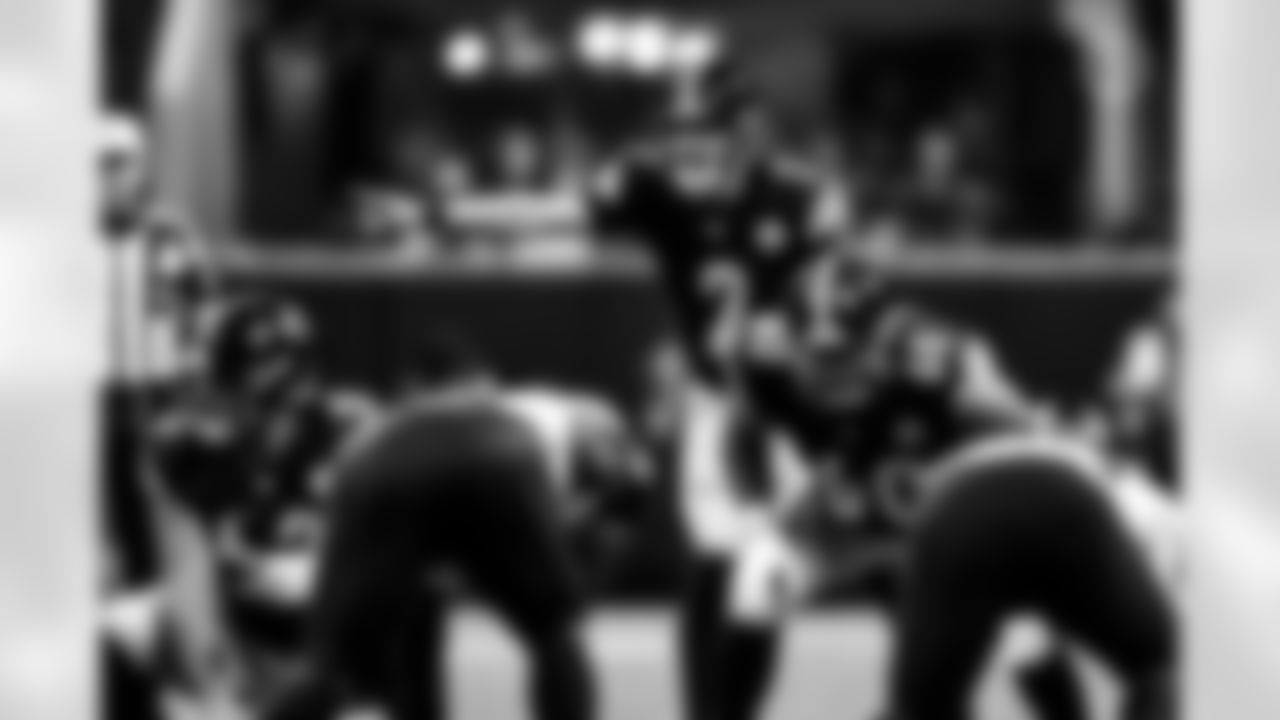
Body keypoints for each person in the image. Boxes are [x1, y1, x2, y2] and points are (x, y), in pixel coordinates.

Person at [734, 252, 1177, 720]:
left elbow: (1019, 432)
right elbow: (743, 433)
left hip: (947, 508)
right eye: (819, 356)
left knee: (1024, 633)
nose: (834, 372)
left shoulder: (934, 357)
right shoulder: (766, 361)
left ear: (884, 332)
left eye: (846, 354)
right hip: (856, 507)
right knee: (758, 576)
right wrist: (758, 504)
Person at [590, 61, 850, 720]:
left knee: (770, 571)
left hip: (789, 402)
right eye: (680, 134)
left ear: (750, 130)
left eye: (706, 132)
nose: (689, 149)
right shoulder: (659, 188)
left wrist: (803, 347)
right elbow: (582, 207)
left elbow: (827, 303)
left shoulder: (800, 197)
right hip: (716, 400)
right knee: (718, 562)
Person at [265, 340, 652, 720]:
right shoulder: (573, 421)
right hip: (493, 454)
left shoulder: (395, 431)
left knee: (347, 666)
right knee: (553, 631)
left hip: (379, 466)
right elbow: (625, 487)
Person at [142, 294, 377, 714]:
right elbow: (188, 574)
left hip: (323, 645)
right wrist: (214, 681)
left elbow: (382, 567)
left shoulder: (352, 433)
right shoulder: (190, 449)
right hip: (237, 638)